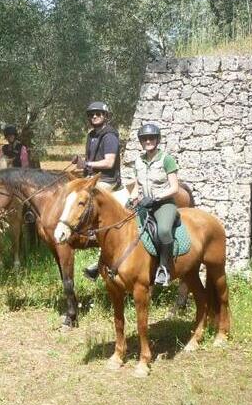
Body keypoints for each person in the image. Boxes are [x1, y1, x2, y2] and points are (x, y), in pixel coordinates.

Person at [72, 101, 122, 279]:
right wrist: (82, 166)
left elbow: (109, 162)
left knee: (89, 203)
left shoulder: (109, 136)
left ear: (105, 116)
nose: (94, 116)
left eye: (98, 114)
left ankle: (96, 249)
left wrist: (87, 164)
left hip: (107, 180)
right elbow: (90, 162)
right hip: (92, 179)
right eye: (91, 114)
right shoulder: (91, 135)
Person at [130, 123, 180, 287]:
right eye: (145, 138)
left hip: (164, 204)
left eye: (151, 138)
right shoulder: (138, 161)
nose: (148, 141)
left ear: (157, 140)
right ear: (141, 141)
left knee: (164, 230)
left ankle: (164, 269)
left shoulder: (167, 159)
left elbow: (174, 188)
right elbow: (137, 185)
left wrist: (156, 197)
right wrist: (132, 198)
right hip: (144, 204)